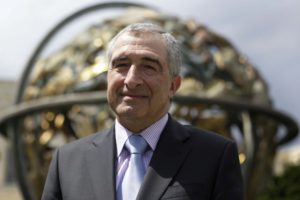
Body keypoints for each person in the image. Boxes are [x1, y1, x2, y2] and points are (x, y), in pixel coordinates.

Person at [42, 23, 244, 200]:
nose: (131, 80)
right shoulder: (67, 162)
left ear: (174, 85)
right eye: (121, 66)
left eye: (148, 67)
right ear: (107, 78)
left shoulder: (214, 156)